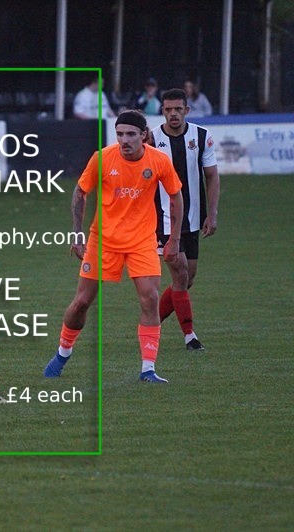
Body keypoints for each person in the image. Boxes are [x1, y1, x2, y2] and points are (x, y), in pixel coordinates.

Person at [43, 110, 184, 383]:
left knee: (150, 298)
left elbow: (176, 196)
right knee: (82, 301)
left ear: (144, 135)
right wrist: (77, 234)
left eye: (131, 134)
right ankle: (62, 353)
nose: (124, 140)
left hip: (142, 240)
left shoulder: (159, 161)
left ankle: (148, 369)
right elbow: (80, 192)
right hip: (103, 240)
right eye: (119, 134)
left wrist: (174, 239)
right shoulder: (103, 158)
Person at [149, 88, 221, 351]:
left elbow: (211, 176)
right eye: (168, 109)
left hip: (192, 218)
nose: (173, 114)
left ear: (186, 110)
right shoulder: (152, 139)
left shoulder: (201, 136)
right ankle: (190, 337)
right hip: (164, 221)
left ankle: (150, 321)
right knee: (179, 275)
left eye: (178, 109)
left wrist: (211, 214)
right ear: (163, 111)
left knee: (188, 278)